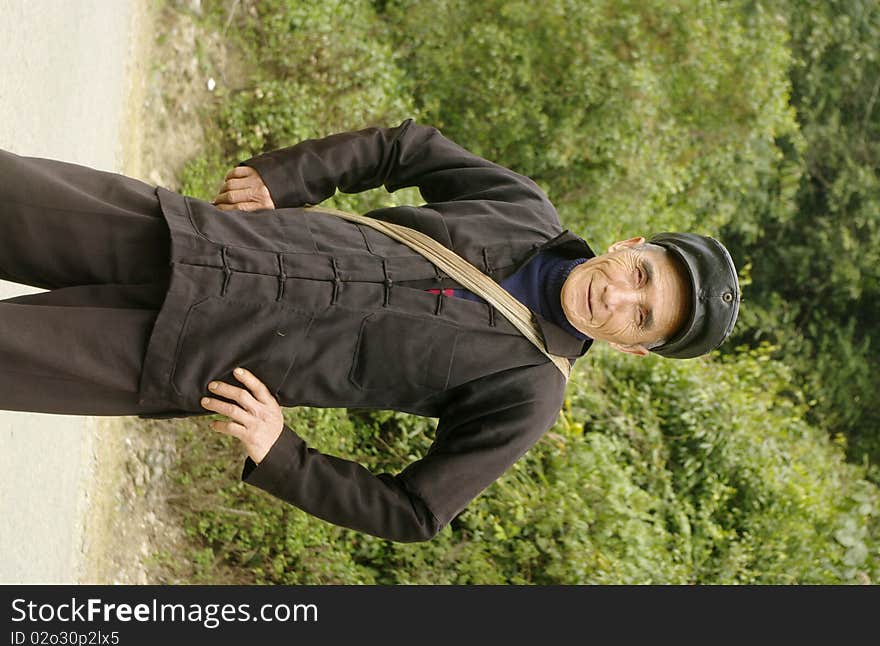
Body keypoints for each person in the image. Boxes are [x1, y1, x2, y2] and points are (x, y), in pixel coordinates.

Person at [0, 119, 740, 542]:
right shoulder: (523, 208)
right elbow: (405, 148)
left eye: (641, 316)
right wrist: (289, 179)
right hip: (193, 235)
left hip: (186, 352)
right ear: (630, 247)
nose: (618, 296)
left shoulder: (529, 393)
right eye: (641, 274)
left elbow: (416, 510)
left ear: (635, 346)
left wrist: (282, 453)